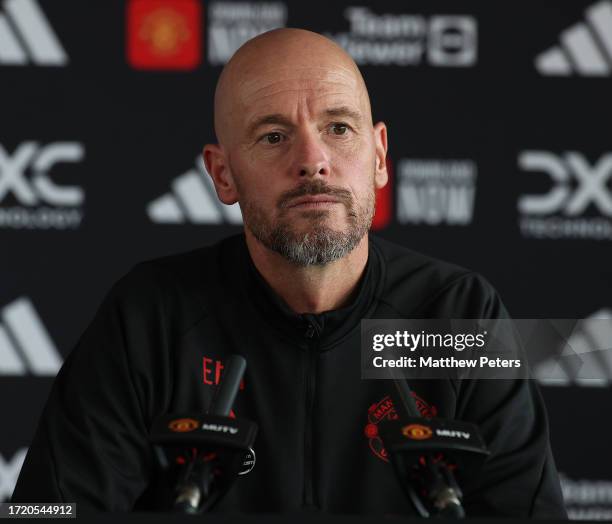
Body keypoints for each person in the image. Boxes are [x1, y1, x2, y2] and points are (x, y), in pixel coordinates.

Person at [12, 29, 566, 517]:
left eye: (339, 128)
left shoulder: (458, 316)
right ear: (222, 175)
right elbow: (46, 511)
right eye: (274, 137)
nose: (313, 159)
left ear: (378, 157)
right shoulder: (152, 315)